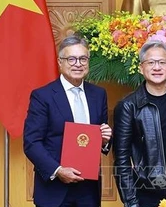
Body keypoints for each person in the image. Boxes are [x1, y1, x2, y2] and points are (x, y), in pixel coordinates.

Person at [23, 35, 112, 207]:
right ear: (60, 62)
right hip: (54, 189)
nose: (78, 63)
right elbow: (31, 142)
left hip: (89, 190)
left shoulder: (98, 94)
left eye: (83, 58)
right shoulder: (43, 96)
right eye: (71, 59)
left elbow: (99, 138)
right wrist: (58, 171)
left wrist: (106, 140)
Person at [113, 40, 166, 207]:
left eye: (162, 62)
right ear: (141, 68)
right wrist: (131, 202)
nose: (157, 67)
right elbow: (121, 160)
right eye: (151, 62)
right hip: (146, 193)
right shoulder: (128, 105)